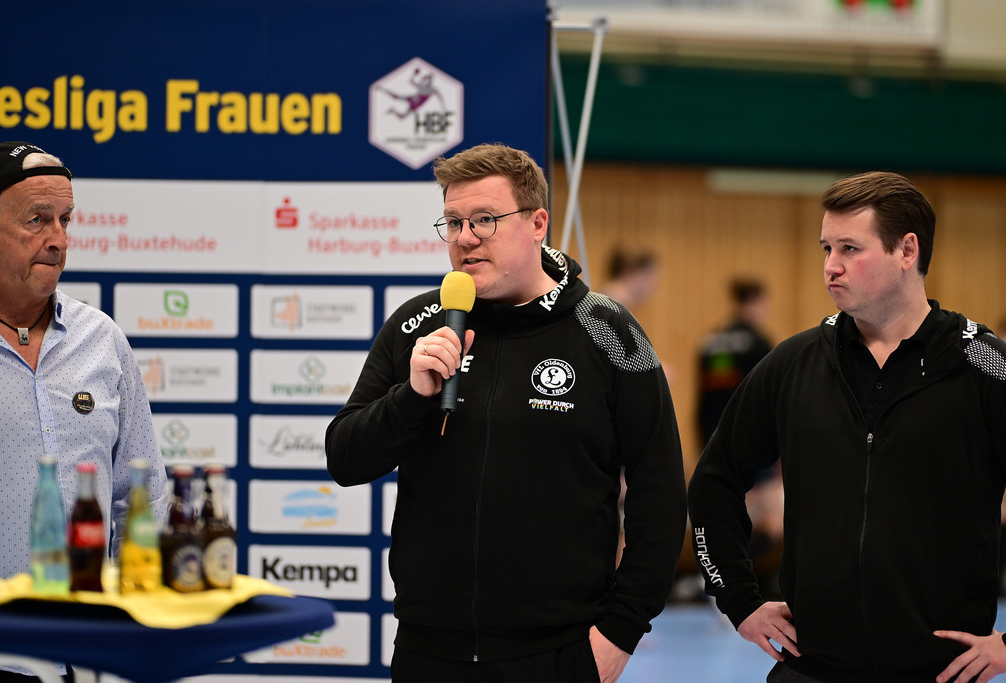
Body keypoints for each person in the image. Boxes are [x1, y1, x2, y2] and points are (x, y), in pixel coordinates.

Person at [325, 143, 687, 683]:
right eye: (453, 222)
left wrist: (621, 632)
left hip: (559, 651)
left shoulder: (609, 332)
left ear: (537, 222)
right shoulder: (416, 325)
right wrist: (412, 396)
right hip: (429, 648)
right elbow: (345, 458)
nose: (465, 237)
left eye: (485, 220)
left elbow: (660, 493)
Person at [688, 170, 1006, 682]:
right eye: (825, 248)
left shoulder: (985, 367)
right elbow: (714, 481)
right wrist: (738, 598)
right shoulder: (793, 364)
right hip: (811, 669)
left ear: (907, 251)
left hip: (941, 672)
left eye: (850, 249)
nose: (831, 267)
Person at [0, 142, 169, 681]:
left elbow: (140, 496)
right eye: (37, 220)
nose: (58, 239)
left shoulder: (101, 340)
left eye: (65, 220)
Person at [696, 278, 772, 447]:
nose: (767, 310)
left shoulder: (710, 342)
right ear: (754, 300)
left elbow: (705, 394)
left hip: (713, 433)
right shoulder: (758, 343)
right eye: (764, 304)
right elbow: (766, 394)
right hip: (748, 433)